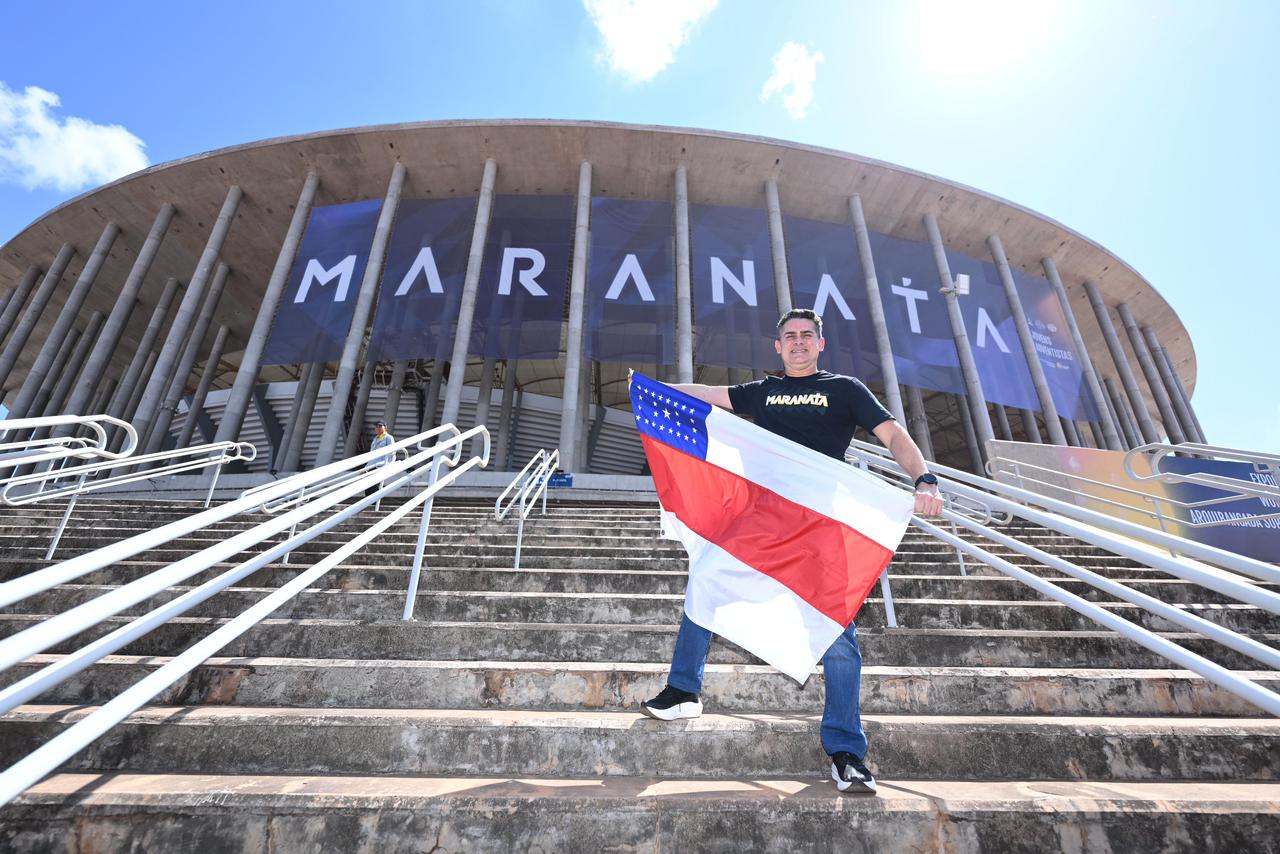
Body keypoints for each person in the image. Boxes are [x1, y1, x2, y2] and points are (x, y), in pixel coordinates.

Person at [639, 308, 944, 795]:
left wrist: (924, 478)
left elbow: (893, 435)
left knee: (838, 636)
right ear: (778, 347)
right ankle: (683, 691)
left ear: (820, 344)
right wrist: (652, 388)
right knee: (707, 578)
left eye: (807, 335)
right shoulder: (763, 391)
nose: (798, 342)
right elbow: (708, 395)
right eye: (790, 336)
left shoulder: (844, 389)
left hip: (820, 525)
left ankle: (846, 751)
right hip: (762, 519)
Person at [363, 420, 395, 497]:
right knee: (367, 487)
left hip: (380, 465)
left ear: (385, 428)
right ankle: (369, 502)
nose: (377, 428)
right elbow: (371, 454)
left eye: (380, 426)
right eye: (376, 426)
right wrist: (366, 467)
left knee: (374, 486)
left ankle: (374, 501)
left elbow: (392, 452)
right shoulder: (375, 439)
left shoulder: (388, 438)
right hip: (371, 466)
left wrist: (388, 465)